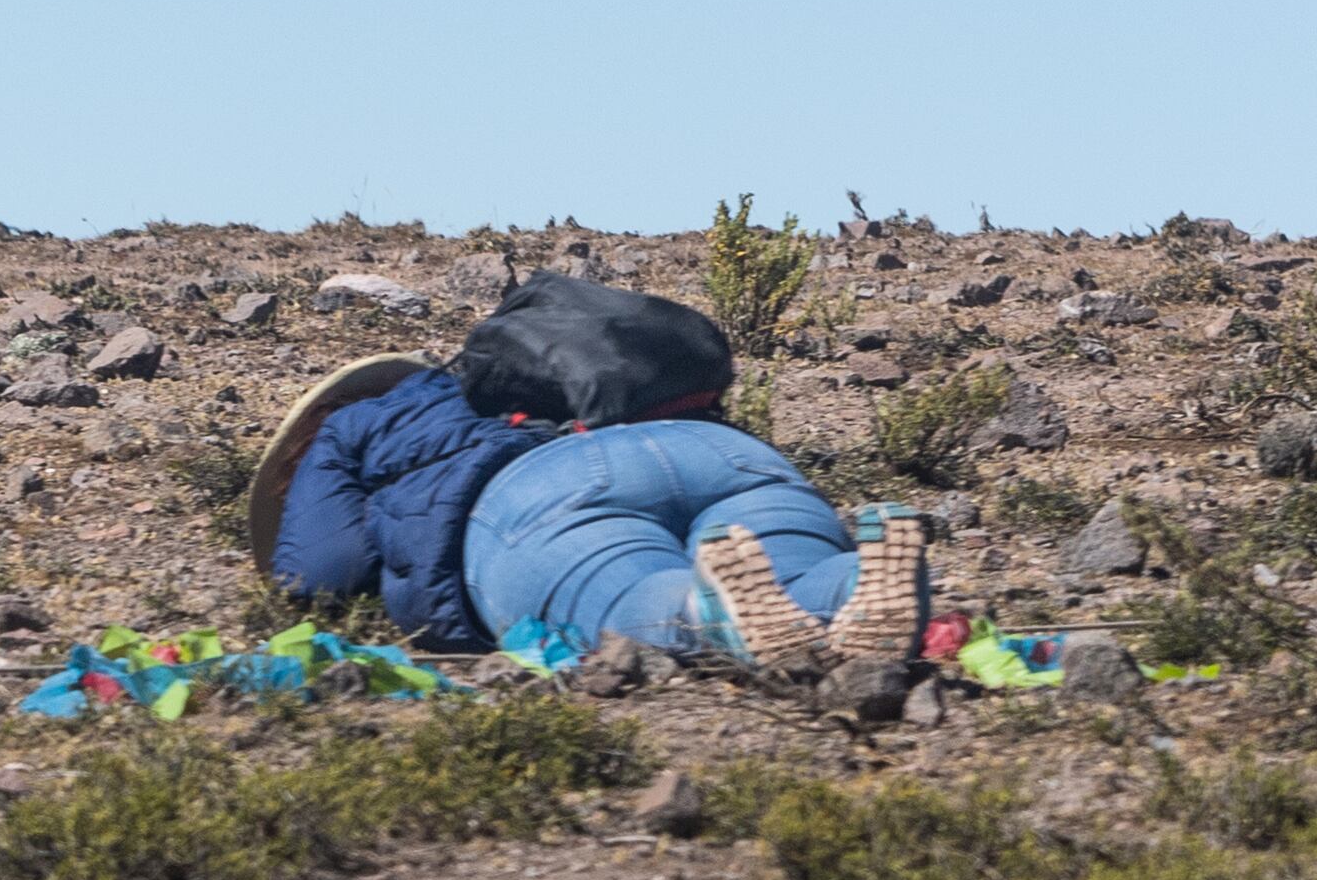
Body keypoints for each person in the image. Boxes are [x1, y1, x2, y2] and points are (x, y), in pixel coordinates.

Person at [253, 274, 927, 664]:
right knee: (794, 572)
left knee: (629, 593)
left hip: (538, 493)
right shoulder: (523, 378)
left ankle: (704, 612)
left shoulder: (352, 427)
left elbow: (321, 572)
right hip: (718, 450)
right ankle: (856, 584)